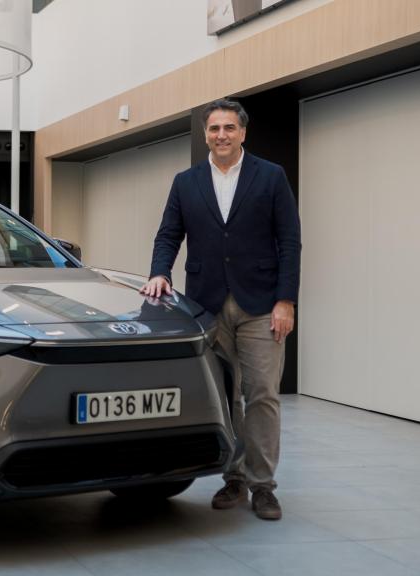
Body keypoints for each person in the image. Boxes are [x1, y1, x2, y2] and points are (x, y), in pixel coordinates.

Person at [141, 98, 300, 520]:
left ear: (243, 133)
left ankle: (264, 486)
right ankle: (235, 479)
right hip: (208, 305)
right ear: (205, 134)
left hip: (262, 304)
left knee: (262, 394)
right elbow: (168, 235)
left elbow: (290, 241)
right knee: (226, 396)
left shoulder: (271, 176)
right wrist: (160, 273)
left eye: (229, 128)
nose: (222, 135)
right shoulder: (186, 181)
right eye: (214, 129)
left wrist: (286, 301)